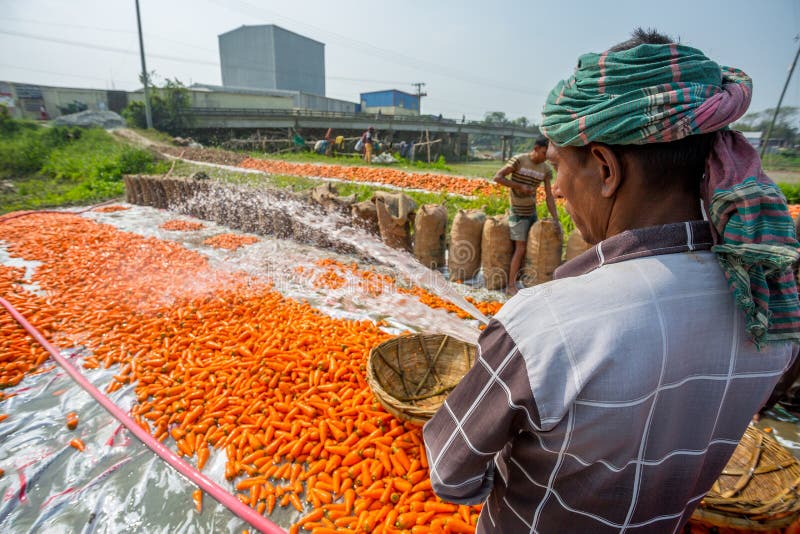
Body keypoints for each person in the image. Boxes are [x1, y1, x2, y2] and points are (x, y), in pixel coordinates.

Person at [423, 28, 800, 533]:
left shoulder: (546, 325)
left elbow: (451, 476)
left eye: (560, 166)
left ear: (605, 168)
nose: (556, 186)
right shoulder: (770, 308)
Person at [493, 137, 560, 295]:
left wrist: (556, 218)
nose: (546, 156)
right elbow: (498, 177)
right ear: (536, 148)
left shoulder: (545, 170)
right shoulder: (519, 160)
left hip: (531, 212)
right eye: (544, 152)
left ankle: (524, 280)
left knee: (530, 248)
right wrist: (519, 187)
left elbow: (549, 196)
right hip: (517, 211)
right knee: (520, 248)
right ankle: (510, 285)